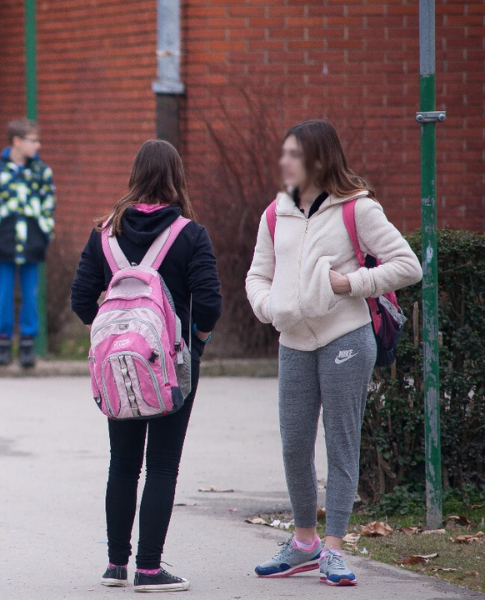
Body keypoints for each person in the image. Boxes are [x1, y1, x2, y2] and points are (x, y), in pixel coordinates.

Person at [246, 120, 421, 586]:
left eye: (292, 154)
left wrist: (353, 283)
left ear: (318, 160)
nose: (283, 162)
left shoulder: (357, 209)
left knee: (341, 444)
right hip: (293, 343)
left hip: (346, 337)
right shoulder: (275, 213)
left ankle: (335, 548)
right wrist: (270, 307)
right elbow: (256, 275)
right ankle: (303, 542)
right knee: (294, 444)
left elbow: (407, 264)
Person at [70, 139, 222, 592]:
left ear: (134, 176)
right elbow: (210, 303)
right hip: (173, 367)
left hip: (118, 367)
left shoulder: (104, 233)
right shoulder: (190, 234)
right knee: (161, 466)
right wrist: (195, 344)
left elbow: (81, 299)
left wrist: (113, 336)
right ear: (176, 177)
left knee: (123, 464)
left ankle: (116, 566)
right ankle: (150, 570)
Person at [0, 118, 56, 369]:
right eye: (33, 140)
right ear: (17, 142)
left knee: (31, 293)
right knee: (4, 291)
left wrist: (45, 229)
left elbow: (48, 203)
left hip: (31, 237)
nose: (38, 145)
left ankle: (27, 344)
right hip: (4, 237)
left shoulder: (42, 171)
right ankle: (3, 342)